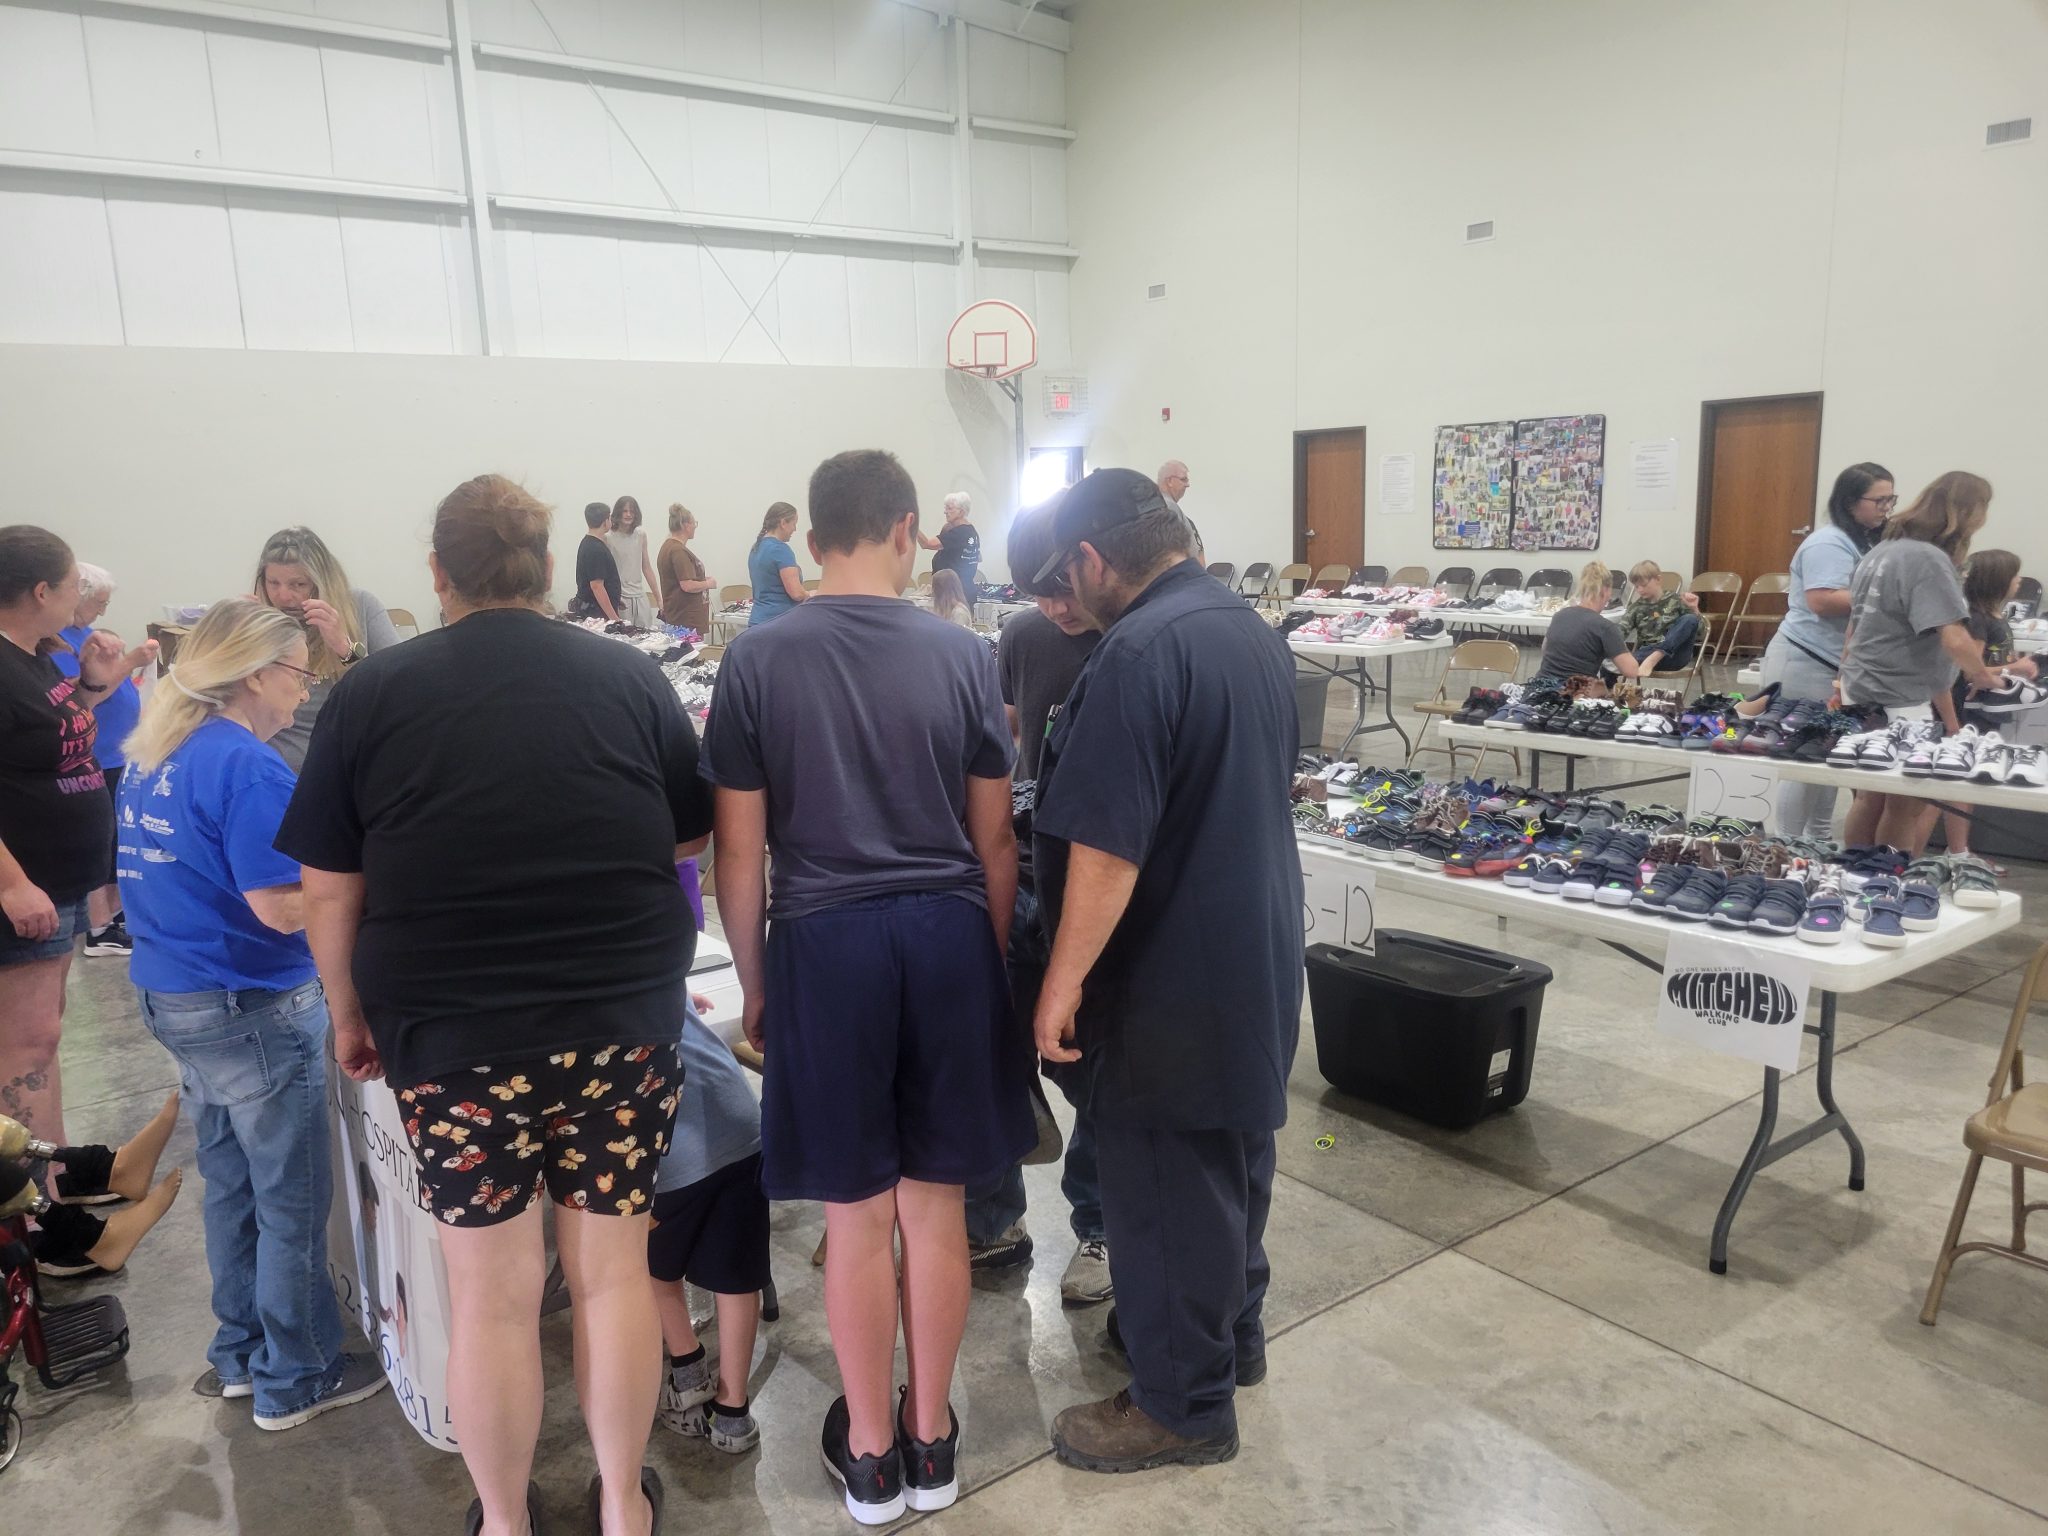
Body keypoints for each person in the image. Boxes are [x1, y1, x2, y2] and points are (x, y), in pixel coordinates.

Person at [277, 475, 714, 1536]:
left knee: (490, 1296)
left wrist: (347, 1012)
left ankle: (508, 1521)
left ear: (438, 573)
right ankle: (622, 1506)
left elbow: (329, 888)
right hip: (619, 1023)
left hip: (453, 1036)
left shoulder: (372, 694)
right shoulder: (627, 677)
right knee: (612, 1279)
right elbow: (688, 835)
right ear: (548, 565)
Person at [704, 449, 1032, 1526]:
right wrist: (981, 960)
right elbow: (995, 841)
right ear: (905, 530)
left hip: (824, 941)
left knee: (854, 1217)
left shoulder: (759, 658)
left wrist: (756, 978)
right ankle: (932, 1438)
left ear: (809, 541)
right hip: (944, 935)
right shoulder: (963, 653)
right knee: (935, 1208)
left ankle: (873, 1458)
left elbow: (739, 853)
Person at [1027, 469, 1302, 1473]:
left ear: (1090, 559)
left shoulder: (1138, 652)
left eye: (1065, 575)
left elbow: (1107, 847)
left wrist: (1060, 982)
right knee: (1231, 1162)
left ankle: (1181, 1406)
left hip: (1168, 971)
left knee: (1161, 1182)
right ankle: (1231, 1341)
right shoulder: (1245, 628)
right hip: (1253, 946)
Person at [119, 596, 386, 1430]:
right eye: (299, 674)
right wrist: (363, 895)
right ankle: (296, 1375)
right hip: (251, 1002)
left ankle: (240, 1353)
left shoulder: (158, 749)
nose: (304, 692)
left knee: (231, 1183)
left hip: (176, 992)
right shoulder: (245, 766)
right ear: (255, 674)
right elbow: (279, 905)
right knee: (291, 1199)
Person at [0, 525, 182, 1278]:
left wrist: (96, 686)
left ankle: (63, 1179)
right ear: (42, 591)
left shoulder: (34, 656)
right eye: (75, 585)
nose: (85, 598)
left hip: (57, 880)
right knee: (24, 1049)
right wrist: (11, 883)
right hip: (26, 887)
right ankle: (46, 1233)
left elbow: (43, 739)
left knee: (40, 1042)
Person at [962, 499, 1112, 1306]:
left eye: (1061, 587)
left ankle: (1100, 1227)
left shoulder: (1133, 640)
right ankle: (993, 1221)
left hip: (1097, 885)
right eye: (1037, 594)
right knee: (991, 1054)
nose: (1055, 608)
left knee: (1095, 1077)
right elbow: (1007, 734)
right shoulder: (1023, 635)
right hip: (1021, 870)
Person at [1839, 472, 2004, 856]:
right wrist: (1983, 675)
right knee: (1905, 801)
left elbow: (1855, 626)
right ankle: (1890, 879)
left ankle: (1856, 872)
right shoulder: (1928, 560)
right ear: (1969, 511)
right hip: (1901, 693)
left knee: (1869, 794)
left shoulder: (1882, 550)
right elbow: (1953, 636)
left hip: (1862, 683)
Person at [649, 996, 767, 1458]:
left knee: (649, 1271)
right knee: (738, 1277)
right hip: (739, 1121)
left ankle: (688, 1373)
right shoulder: (652, 959)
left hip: (670, 1147)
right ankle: (733, 1413)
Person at [1764, 462, 1892, 841]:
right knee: (1803, 758)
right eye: (1879, 500)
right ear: (1851, 502)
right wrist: (1889, 595)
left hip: (1835, 663)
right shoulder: (1829, 542)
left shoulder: (1862, 541)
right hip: (1805, 658)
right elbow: (1822, 601)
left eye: (1891, 499)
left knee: (1827, 754)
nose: (1887, 508)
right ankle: (1785, 844)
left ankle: (1818, 842)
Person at [252, 527, 402, 772]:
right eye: (273, 583)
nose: (283, 596)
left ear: (322, 582)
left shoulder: (361, 606)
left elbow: (398, 688)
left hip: (351, 760)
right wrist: (230, 637)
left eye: (298, 584)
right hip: (279, 767)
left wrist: (345, 648)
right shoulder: (259, 621)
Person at [52, 563, 143, 957]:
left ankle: (113, 916)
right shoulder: (60, 643)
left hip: (115, 754)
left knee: (118, 839)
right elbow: (83, 696)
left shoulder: (84, 634)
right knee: (104, 842)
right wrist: (129, 663)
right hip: (97, 756)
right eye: (98, 602)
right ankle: (99, 928)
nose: (102, 611)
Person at [1942, 549, 2023, 860]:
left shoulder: (1996, 617)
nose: (2019, 580)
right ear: (1998, 582)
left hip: (1989, 712)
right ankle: (1957, 851)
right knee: (1963, 781)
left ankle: (1961, 849)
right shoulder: (1977, 620)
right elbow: (1971, 670)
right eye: (2014, 575)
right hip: (1972, 712)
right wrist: (2016, 668)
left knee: (1973, 778)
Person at [1532, 562, 1640, 687]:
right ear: (1605, 590)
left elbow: (1545, 649)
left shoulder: (1560, 615)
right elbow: (1631, 671)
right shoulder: (1605, 627)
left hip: (1539, 687)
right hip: (1573, 693)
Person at [1617, 559, 1702, 673]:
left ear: (1658, 579)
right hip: (1646, 654)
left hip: (1675, 656)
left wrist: (1694, 609)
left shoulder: (1677, 600)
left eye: (1643, 585)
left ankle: (1657, 655)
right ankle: (1604, 686)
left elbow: (1700, 633)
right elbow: (1620, 632)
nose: (1640, 590)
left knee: (1689, 618)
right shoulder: (1635, 608)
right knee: (1610, 663)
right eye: (1636, 587)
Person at [746, 502, 807, 628]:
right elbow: (796, 593)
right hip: (779, 622)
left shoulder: (756, 548)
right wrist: (811, 594)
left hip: (758, 620)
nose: (795, 529)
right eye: (794, 524)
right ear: (783, 523)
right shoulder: (781, 550)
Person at [656, 505, 716, 633]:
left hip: (679, 616)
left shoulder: (668, 547)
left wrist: (701, 579)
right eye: (694, 523)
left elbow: (679, 579)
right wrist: (708, 583)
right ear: (686, 525)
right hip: (686, 620)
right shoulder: (678, 551)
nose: (695, 527)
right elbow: (687, 585)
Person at [608, 496, 660, 628]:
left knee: (646, 634)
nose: (628, 514)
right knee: (623, 636)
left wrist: (659, 599)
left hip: (639, 596)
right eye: (625, 511)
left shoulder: (641, 535)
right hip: (620, 597)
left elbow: (646, 568)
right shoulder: (608, 537)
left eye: (631, 511)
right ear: (618, 512)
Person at [917, 492, 982, 599]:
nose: (945, 512)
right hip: (963, 591)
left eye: (950, 508)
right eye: (945, 508)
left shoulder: (958, 533)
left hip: (954, 595)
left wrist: (913, 526)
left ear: (961, 511)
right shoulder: (971, 531)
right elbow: (978, 557)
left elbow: (926, 544)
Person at [569, 501, 625, 623]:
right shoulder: (595, 549)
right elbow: (597, 586)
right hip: (596, 613)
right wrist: (614, 619)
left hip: (595, 609)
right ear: (605, 521)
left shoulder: (589, 543)